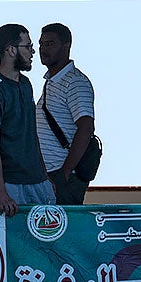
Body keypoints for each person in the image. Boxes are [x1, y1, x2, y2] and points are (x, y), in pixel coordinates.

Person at [0, 24, 56, 216]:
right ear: (11, 50)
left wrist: (44, 176)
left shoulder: (26, 84)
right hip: (8, 183)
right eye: (27, 46)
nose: (32, 52)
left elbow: (30, 134)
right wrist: (1, 193)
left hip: (36, 181)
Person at [37, 22, 98, 205]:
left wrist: (65, 172)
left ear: (66, 46)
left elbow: (86, 127)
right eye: (41, 44)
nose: (43, 49)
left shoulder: (75, 82)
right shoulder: (53, 82)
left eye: (50, 44)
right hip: (49, 175)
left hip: (62, 177)